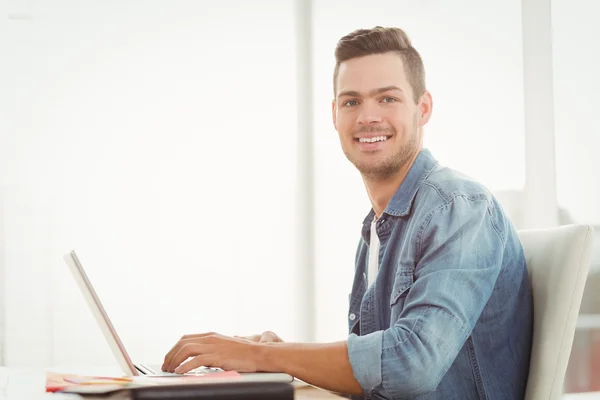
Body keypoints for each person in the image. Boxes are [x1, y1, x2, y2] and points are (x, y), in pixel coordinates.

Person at [161, 26, 533, 399]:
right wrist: (270, 358)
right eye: (351, 102)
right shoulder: (376, 230)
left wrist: (265, 356)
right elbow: (376, 378)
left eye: (387, 99)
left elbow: (411, 365)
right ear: (335, 115)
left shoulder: (458, 207)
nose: (368, 117)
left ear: (423, 109)